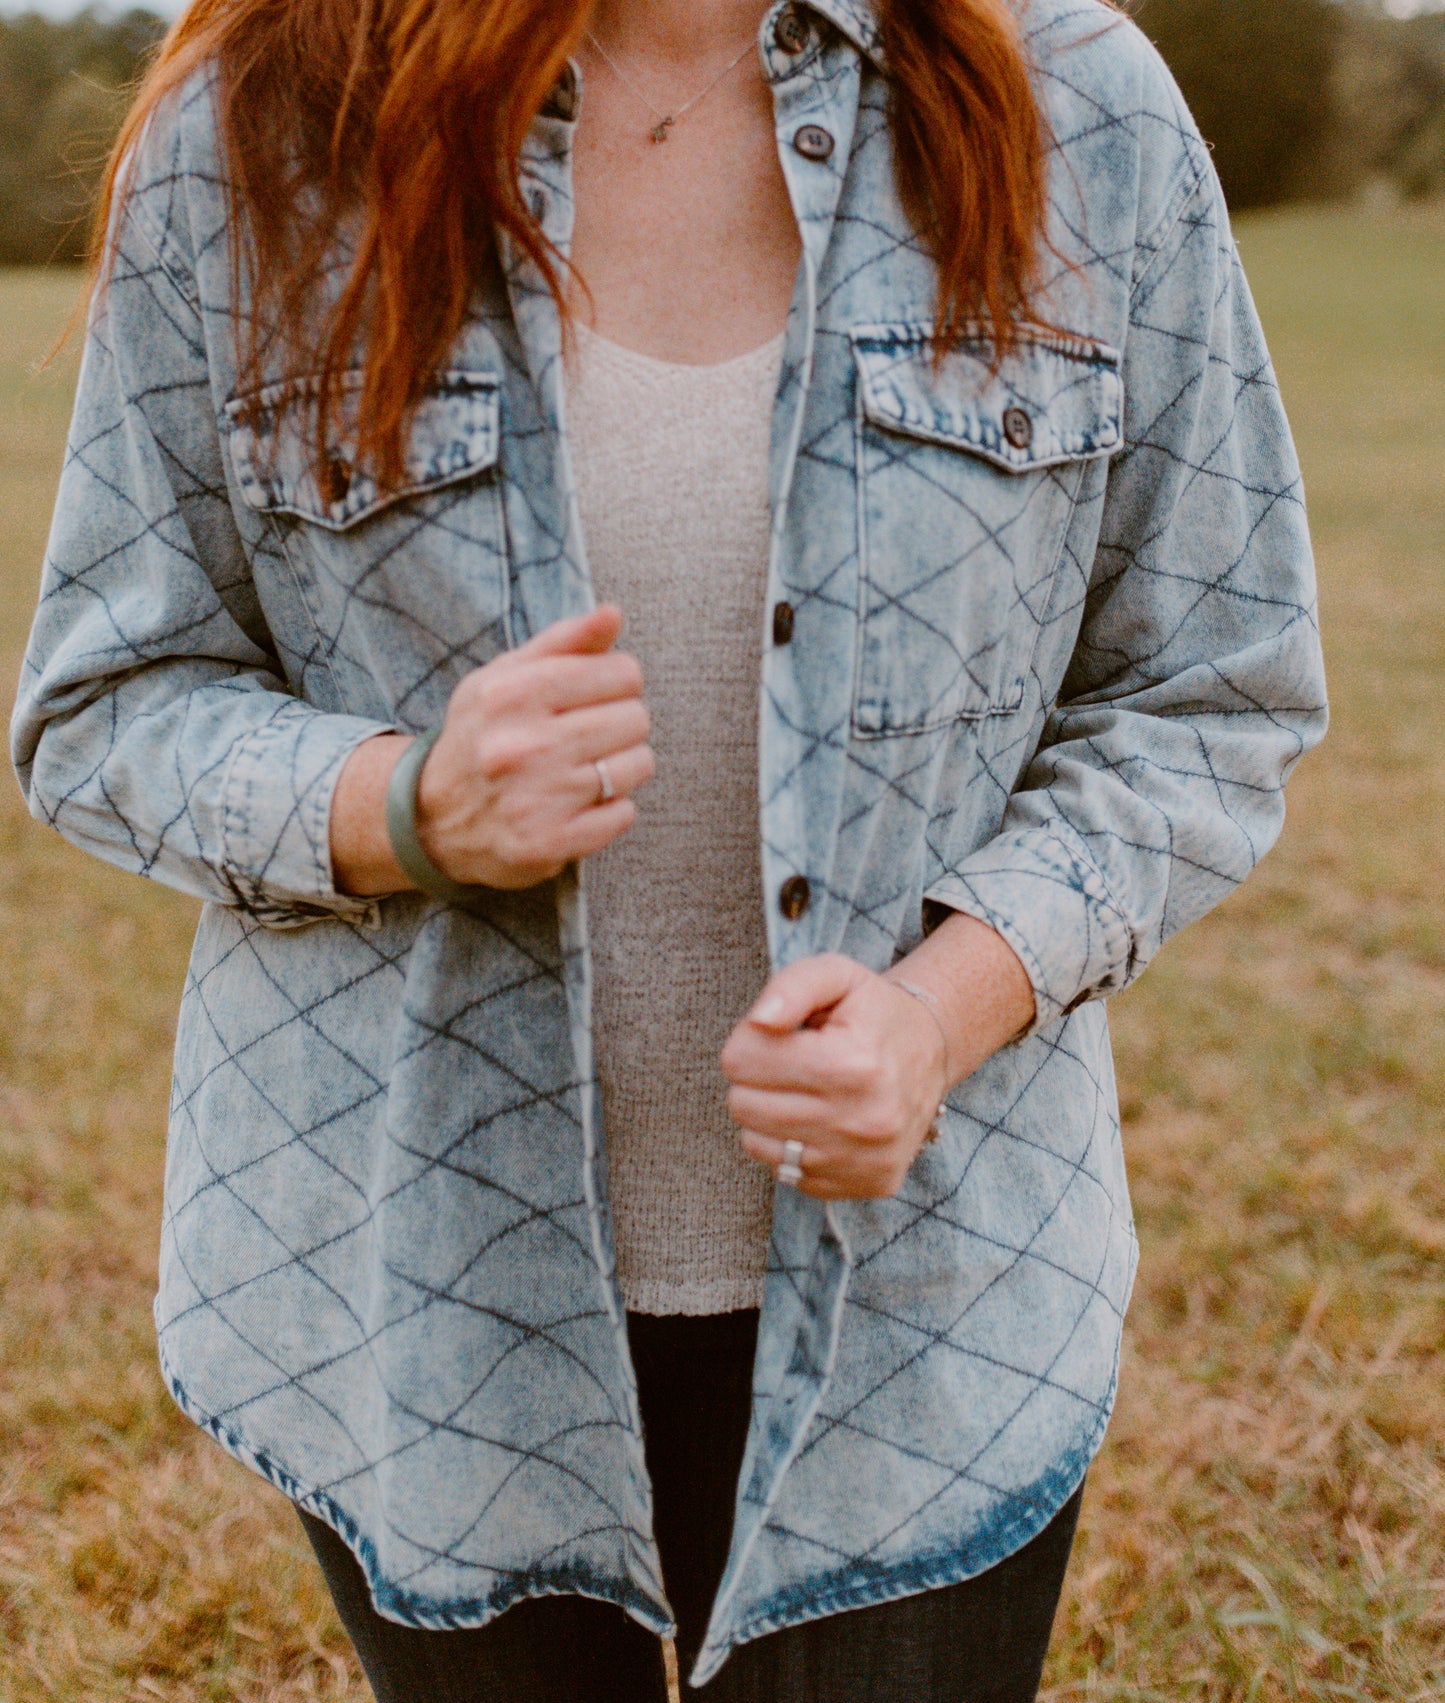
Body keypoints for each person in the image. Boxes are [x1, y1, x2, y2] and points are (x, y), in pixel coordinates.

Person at [11, 0, 1327, 1695]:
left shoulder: (1072, 103)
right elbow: (107, 701)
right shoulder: (263, 128)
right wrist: (401, 804)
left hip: (929, 1316)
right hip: (424, 1309)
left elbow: (1207, 697)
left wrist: (939, 1012)